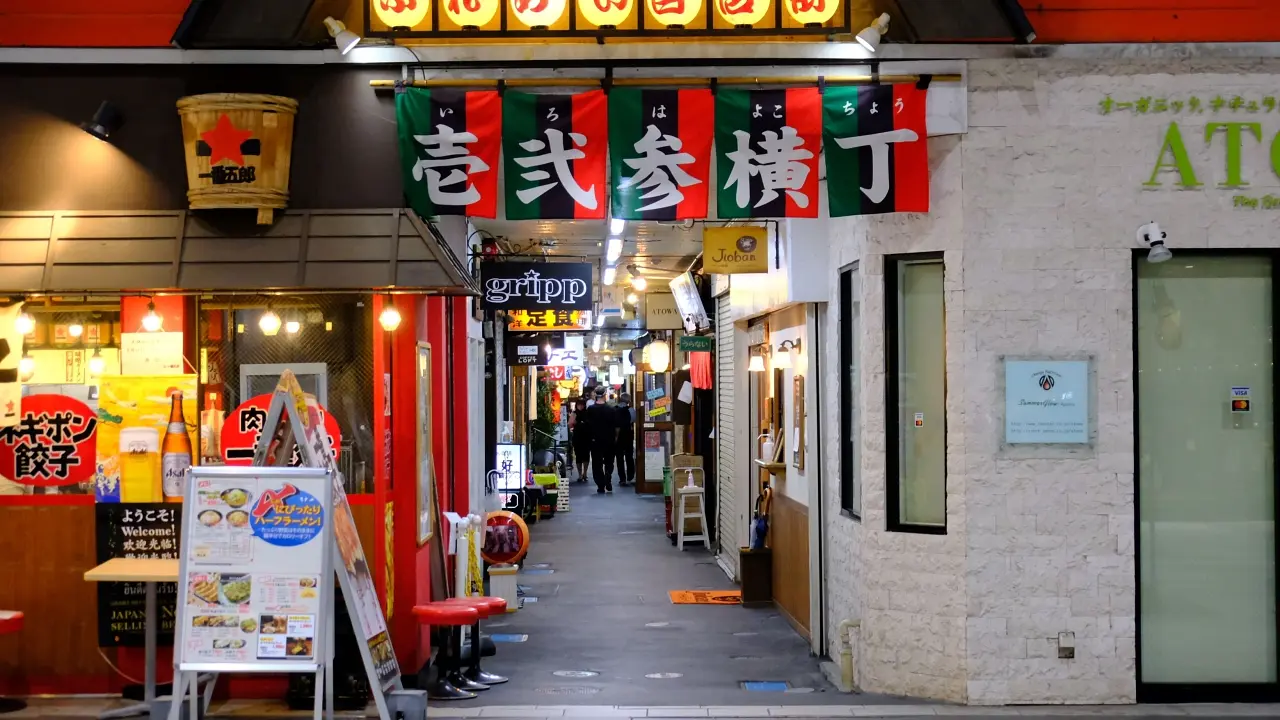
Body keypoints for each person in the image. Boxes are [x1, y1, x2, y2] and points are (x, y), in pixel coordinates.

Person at [584, 385, 619, 494]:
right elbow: (616, 426)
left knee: (597, 464)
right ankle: (608, 478)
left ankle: (600, 485)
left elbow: (587, 426)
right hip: (609, 440)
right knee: (609, 462)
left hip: (595, 441)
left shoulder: (590, 409)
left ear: (595, 395)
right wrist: (615, 438)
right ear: (604, 395)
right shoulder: (611, 409)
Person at [614, 394, 636, 487]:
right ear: (629, 401)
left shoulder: (614, 409)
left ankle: (622, 478)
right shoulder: (631, 410)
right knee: (629, 456)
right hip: (628, 434)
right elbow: (633, 420)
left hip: (618, 435)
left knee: (619, 458)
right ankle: (630, 477)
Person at [570, 398, 591, 483]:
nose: (580, 406)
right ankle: (579, 474)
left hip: (586, 436)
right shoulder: (574, 413)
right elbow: (569, 425)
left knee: (586, 455)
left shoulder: (588, 413)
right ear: (576, 405)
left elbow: (591, 424)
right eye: (579, 404)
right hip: (577, 436)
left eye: (582, 404)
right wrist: (573, 422)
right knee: (578, 456)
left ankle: (585, 473)